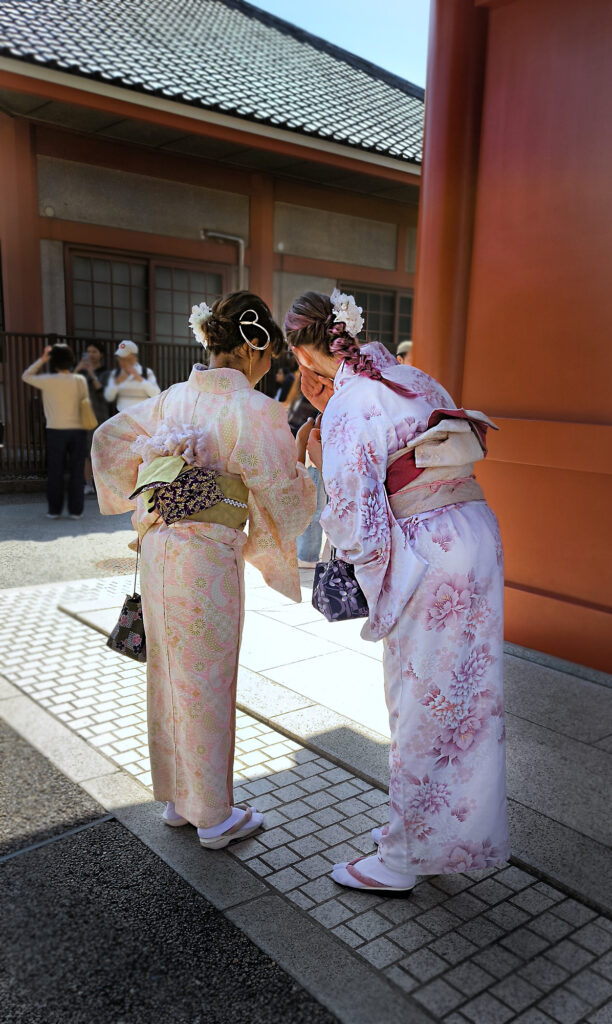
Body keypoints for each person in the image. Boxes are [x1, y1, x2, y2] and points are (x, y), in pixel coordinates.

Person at [285, 289, 509, 892]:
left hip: (429, 548)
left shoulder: (348, 406)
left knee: (419, 701)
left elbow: (357, 518)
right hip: (475, 533)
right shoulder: (412, 377)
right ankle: (455, 839)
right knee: (468, 701)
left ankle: (406, 857)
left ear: (305, 361)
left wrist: (323, 452)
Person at [92, 292, 316, 849]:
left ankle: (179, 800)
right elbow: (283, 495)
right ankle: (214, 816)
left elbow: (107, 438)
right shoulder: (255, 411)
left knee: (170, 676)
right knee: (208, 681)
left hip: (160, 550)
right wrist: (305, 468)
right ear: (250, 345)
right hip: (207, 560)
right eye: (268, 356)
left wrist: (146, 492)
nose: (271, 367)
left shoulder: (171, 399)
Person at [22, 343, 88, 520]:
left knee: (55, 471)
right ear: (71, 361)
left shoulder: (48, 380)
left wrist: (42, 360)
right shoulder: (79, 380)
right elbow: (84, 402)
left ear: (53, 362)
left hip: (55, 430)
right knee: (76, 470)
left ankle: (54, 510)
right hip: (78, 429)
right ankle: (76, 511)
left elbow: (26, 375)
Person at [286, 372, 326, 566]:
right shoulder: (317, 396)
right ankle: (307, 554)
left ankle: (306, 553)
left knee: (310, 504)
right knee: (313, 505)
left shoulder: (308, 394)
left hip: (305, 450)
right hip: (309, 452)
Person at [74, 341, 111, 495]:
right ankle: (87, 483)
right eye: (88, 351)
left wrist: (91, 373)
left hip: (100, 415)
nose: (91, 354)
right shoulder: (80, 372)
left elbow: (104, 393)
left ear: (101, 354)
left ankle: (101, 484)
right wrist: (78, 369)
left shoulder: (106, 373)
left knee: (100, 450)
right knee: (84, 451)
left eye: (94, 351)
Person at [104, 340, 160, 412]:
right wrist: (117, 382)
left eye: (126, 358)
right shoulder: (115, 373)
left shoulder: (146, 372)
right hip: (121, 417)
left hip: (142, 416)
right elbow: (109, 397)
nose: (122, 362)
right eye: (120, 358)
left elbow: (156, 394)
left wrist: (140, 379)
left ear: (134, 357)